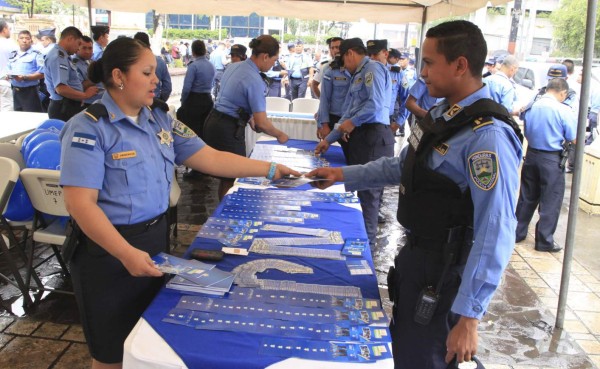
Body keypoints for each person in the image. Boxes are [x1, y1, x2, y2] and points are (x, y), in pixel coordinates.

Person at [59, 37, 299, 369]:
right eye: (146, 72)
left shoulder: (160, 118)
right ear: (118, 76)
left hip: (154, 240)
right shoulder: (89, 128)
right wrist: (126, 253)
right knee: (111, 354)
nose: (156, 79)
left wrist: (270, 169)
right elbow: (80, 205)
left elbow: (211, 158)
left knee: (147, 340)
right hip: (107, 253)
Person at [307, 20, 523, 369]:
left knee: (429, 358)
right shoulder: (443, 117)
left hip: (447, 274)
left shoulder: (487, 136)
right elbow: (400, 168)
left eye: (429, 63)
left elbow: (495, 228)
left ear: (460, 65)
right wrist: (341, 175)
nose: (421, 73)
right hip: (418, 260)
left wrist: (469, 316)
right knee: (408, 351)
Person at [314, 37, 394, 245]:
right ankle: (359, 240)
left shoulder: (372, 70)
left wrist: (352, 122)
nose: (344, 67)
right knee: (359, 192)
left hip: (374, 137)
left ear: (350, 53)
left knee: (368, 196)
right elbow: (347, 112)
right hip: (362, 137)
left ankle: (365, 247)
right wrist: (329, 139)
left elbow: (374, 105)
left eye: (344, 60)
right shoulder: (357, 75)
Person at [203, 35, 290, 200]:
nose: (274, 64)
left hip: (214, 120)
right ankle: (227, 216)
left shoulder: (236, 66)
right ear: (265, 56)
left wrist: (249, 118)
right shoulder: (254, 79)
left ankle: (225, 211)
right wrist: (280, 135)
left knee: (227, 176)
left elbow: (234, 98)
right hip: (227, 128)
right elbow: (263, 123)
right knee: (234, 175)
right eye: (274, 60)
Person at [515, 78, 575, 252]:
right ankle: (544, 241)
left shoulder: (532, 106)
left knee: (526, 197)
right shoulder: (562, 110)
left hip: (532, 155)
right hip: (551, 159)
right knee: (550, 200)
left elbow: (522, 118)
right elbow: (573, 137)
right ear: (563, 92)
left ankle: (517, 233)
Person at [44, 26, 99, 121]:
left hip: (68, 106)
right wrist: (85, 95)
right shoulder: (58, 57)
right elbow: (61, 89)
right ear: (70, 39)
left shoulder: (64, 56)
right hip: (63, 107)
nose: (78, 49)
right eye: (78, 44)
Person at [315, 37, 350, 160]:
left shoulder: (356, 69)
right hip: (333, 117)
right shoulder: (328, 68)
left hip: (350, 121)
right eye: (332, 47)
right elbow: (324, 99)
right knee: (325, 156)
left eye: (338, 47)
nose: (335, 50)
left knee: (349, 156)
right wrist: (321, 123)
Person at [177, 39, 215, 140]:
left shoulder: (193, 66)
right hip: (207, 99)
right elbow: (213, 84)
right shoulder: (211, 66)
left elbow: (186, 88)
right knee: (204, 129)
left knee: (191, 131)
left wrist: (183, 101)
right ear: (204, 50)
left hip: (194, 100)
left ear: (193, 52)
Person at [7, 30, 45, 112]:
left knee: (32, 118)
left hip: (30, 92)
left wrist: (24, 77)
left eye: (27, 38)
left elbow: (42, 74)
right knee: (18, 118)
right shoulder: (13, 54)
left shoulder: (37, 54)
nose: (24, 40)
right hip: (15, 91)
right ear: (18, 40)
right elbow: (8, 69)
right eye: (21, 38)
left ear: (31, 40)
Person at [133, 32, 172, 102]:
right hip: (155, 101)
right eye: (147, 73)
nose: (156, 80)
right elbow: (167, 87)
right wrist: (160, 101)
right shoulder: (160, 61)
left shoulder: (131, 62)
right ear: (149, 45)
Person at [71, 36, 104, 107]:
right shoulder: (74, 64)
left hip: (101, 100)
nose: (87, 51)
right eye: (84, 48)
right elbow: (78, 87)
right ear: (77, 48)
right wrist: (98, 77)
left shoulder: (90, 60)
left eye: (90, 48)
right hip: (89, 103)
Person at [397, 51, 417, 137]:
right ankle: (401, 131)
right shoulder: (397, 71)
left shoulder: (413, 72)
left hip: (410, 99)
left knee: (410, 120)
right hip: (399, 98)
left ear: (408, 60)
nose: (400, 61)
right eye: (399, 59)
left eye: (403, 59)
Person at [0, 20, 17, 112]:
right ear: (4, 29)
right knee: (7, 111)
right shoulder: (10, 44)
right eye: (9, 28)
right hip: (5, 82)